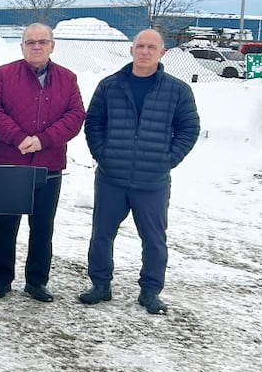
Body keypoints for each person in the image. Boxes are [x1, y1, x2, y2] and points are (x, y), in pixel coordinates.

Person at [79, 29, 200, 315]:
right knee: (101, 235)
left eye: (151, 47)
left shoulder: (177, 90)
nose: (145, 51)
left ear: (162, 53)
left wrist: (166, 160)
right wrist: (103, 155)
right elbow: (93, 123)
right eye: (140, 46)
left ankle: (150, 291)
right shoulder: (110, 86)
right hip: (111, 178)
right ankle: (100, 284)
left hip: (152, 182)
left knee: (154, 240)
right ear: (131, 50)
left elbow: (189, 129)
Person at [0, 23, 84, 302]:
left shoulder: (67, 78)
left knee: (42, 226)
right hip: (9, 163)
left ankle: (37, 281)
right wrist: (17, 137)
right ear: (22, 46)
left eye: (42, 42)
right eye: (30, 42)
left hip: (48, 165)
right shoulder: (3, 74)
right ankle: (1, 278)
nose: (36, 46)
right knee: (4, 225)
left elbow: (75, 116)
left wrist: (44, 139)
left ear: (52, 45)